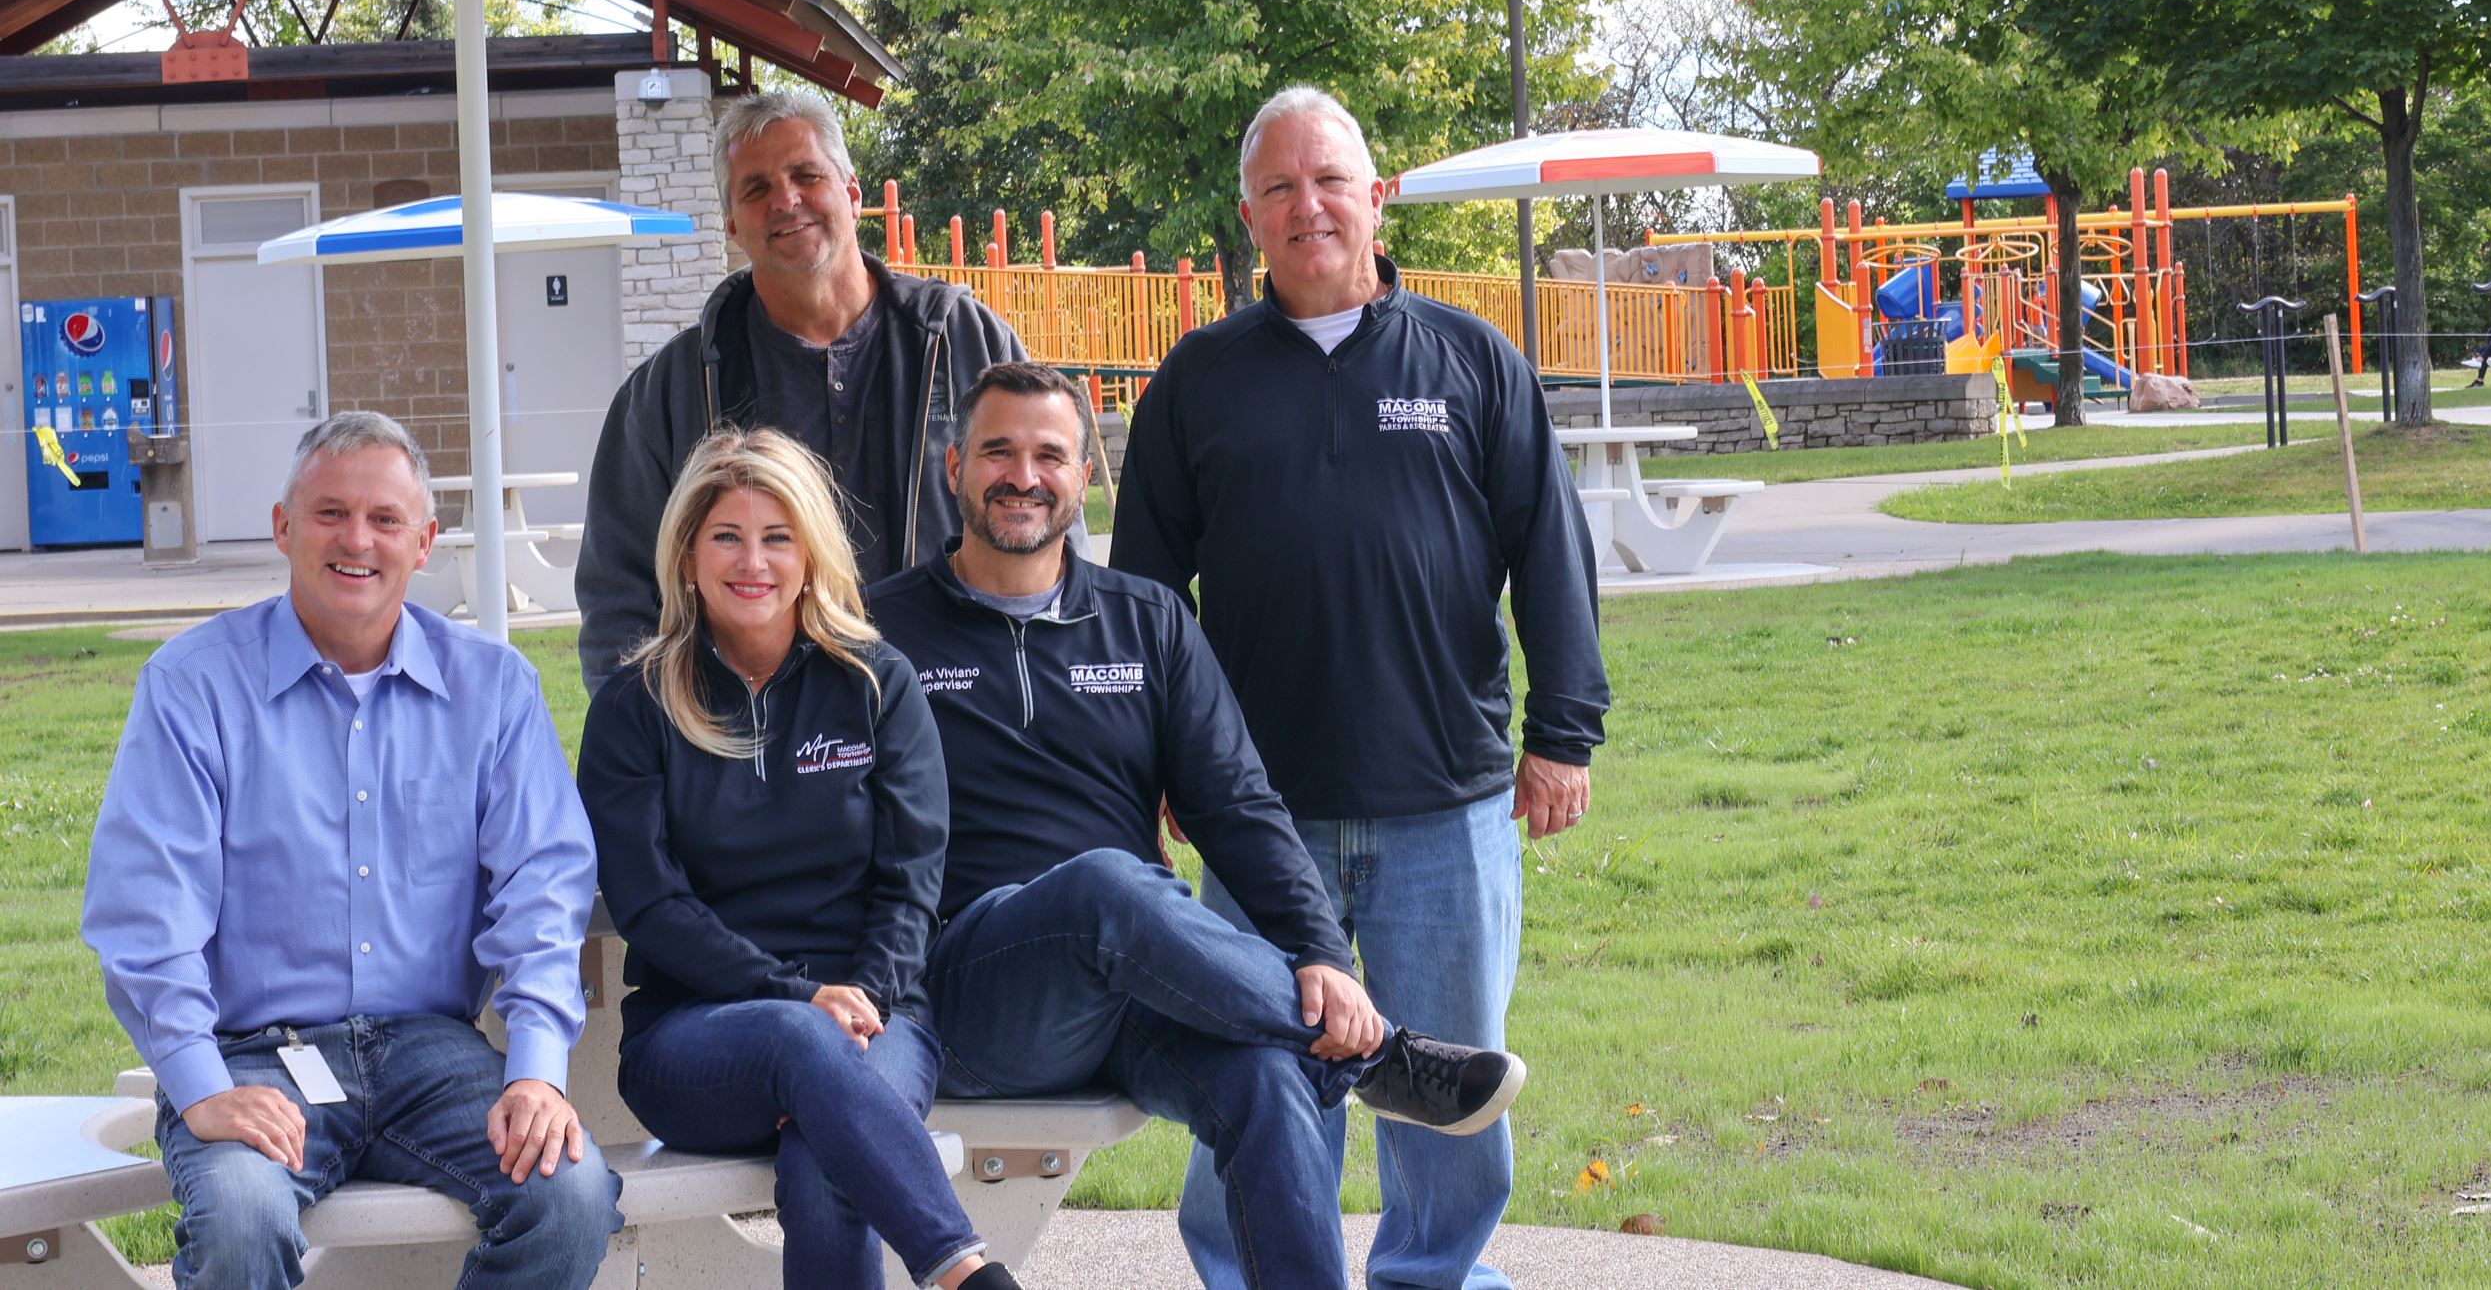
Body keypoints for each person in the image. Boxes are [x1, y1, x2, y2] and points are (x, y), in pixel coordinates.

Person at [869, 361, 1527, 1290]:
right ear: (953, 469)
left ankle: (1332, 1054)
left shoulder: (1148, 623)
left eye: (1049, 453)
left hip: (1137, 992)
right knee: (1105, 883)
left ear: (1085, 473)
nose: (1024, 475)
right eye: (998, 451)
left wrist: (1321, 956)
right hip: (974, 994)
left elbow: (1239, 806)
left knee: (1267, 1080)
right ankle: (1375, 1055)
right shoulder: (880, 631)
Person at [1109, 85, 1610, 1290]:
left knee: (1446, 1078)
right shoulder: (1197, 381)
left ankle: (1433, 1275)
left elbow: (1550, 551)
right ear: (1248, 218)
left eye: (1329, 180)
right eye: (1279, 188)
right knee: (1258, 1071)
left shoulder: (1470, 360)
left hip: (1444, 797)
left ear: (1374, 198)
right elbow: (1136, 602)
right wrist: (1159, 764)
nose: (1307, 206)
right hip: (1254, 813)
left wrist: (1563, 733)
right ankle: (1250, 1274)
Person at [81, 411, 619, 1290]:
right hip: (253, 1052)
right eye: (329, 513)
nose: (356, 540)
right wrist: (200, 1083)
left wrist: (536, 1074)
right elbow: (146, 913)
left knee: (571, 1195)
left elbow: (543, 889)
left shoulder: (496, 689)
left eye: (384, 519)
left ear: (425, 541)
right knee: (240, 1224)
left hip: (433, 1049)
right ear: (283, 526)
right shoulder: (193, 687)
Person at [577, 427, 1020, 1290]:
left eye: (778, 536)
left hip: (878, 1015)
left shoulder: (875, 684)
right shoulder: (636, 706)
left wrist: (859, 997)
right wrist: (798, 995)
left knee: (827, 1162)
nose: (754, 561)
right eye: (728, 537)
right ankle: (965, 1271)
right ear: (689, 552)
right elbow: (651, 907)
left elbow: (912, 883)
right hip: (695, 1038)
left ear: (811, 550)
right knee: (794, 1034)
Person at [578, 85, 1057, 692]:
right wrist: (646, 752)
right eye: (756, 188)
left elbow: (1053, 543)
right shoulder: (672, 392)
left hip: (960, 725)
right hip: (754, 745)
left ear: (853, 193)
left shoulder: (968, 345)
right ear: (731, 222)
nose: (786, 200)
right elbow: (618, 601)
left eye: (807, 175)